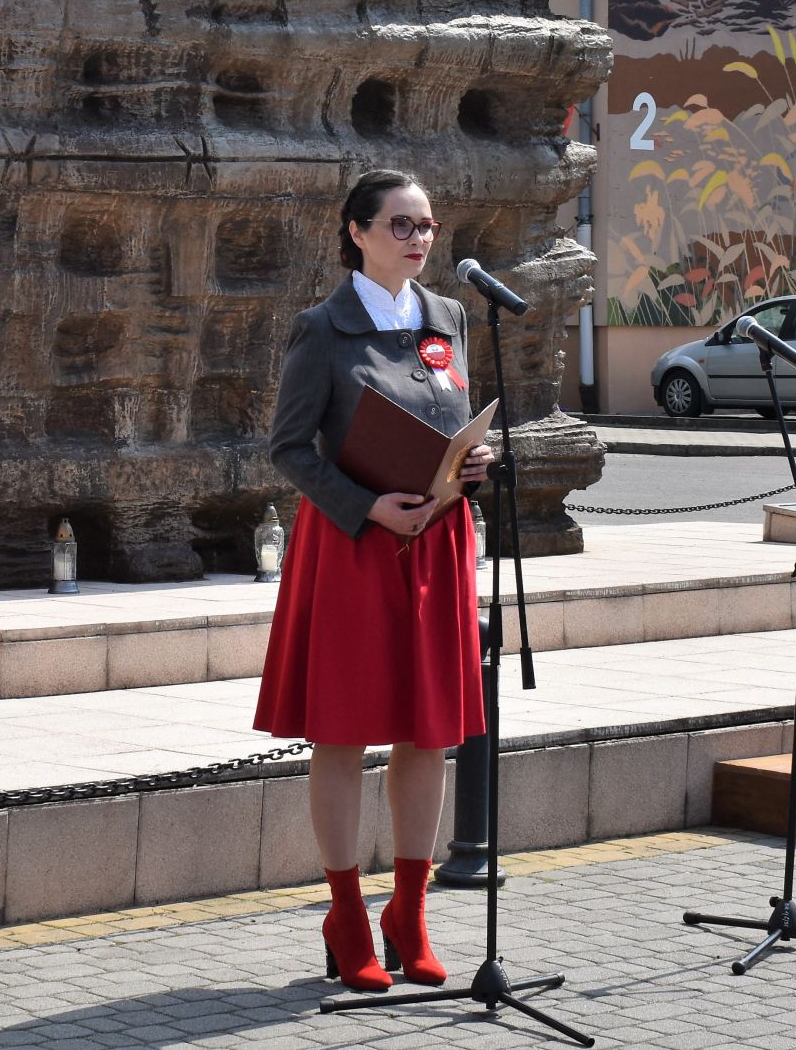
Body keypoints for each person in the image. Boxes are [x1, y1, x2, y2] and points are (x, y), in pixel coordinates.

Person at [255, 169, 493, 993]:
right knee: (344, 731)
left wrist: (473, 461)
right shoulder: (322, 328)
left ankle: (410, 913)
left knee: (429, 731)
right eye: (401, 224)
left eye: (426, 225)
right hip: (356, 546)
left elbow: (447, 420)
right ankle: (348, 916)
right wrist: (367, 506)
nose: (419, 238)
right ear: (356, 232)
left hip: (436, 542)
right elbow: (288, 448)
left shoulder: (448, 317)